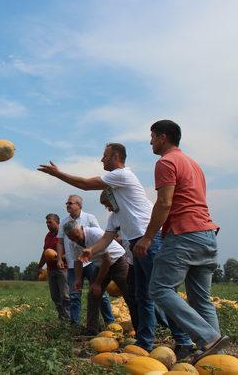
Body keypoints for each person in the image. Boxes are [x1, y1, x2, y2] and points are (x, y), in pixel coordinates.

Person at [39, 144, 192, 354]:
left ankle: (184, 340)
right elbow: (107, 239)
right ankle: (145, 341)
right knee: (141, 295)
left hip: (149, 239)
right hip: (138, 243)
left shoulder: (123, 175)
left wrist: (58, 174)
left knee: (160, 292)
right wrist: (90, 252)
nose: (102, 160)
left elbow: (85, 184)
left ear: (116, 157)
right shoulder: (116, 215)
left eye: (104, 156)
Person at [134, 120, 229, 362]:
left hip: (184, 234)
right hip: (206, 234)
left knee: (159, 289)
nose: (150, 142)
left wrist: (147, 237)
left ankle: (208, 337)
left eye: (153, 137)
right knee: (200, 299)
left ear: (163, 137)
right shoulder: (193, 164)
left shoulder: (166, 162)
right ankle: (216, 357)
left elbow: (165, 202)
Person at [64, 220, 133, 335]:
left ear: (81, 228)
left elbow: (107, 259)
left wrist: (97, 283)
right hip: (100, 265)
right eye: (72, 238)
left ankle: (139, 326)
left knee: (129, 294)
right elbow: (77, 262)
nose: (76, 240)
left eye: (77, 236)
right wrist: (77, 279)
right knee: (92, 295)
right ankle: (92, 330)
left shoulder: (95, 234)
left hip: (118, 261)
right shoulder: (73, 243)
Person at [56, 195, 114, 326]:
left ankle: (110, 321)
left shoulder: (89, 218)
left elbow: (101, 237)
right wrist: (60, 257)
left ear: (79, 205)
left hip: (91, 262)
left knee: (99, 292)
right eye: (67, 203)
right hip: (73, 262)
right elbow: (60, 241)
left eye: (70, 203)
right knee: (74, 295)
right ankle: (74, 324)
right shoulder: (64, 222)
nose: (68, 205)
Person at [99, 190, 139, 332]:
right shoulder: (114, 218)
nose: (107, 208)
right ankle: (142, 332)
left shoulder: (132, 210)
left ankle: (161, 326)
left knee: (146, 296)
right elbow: (107, 238)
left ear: (114, 199)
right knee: (134, 297)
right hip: (131, 260)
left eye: (107, 204)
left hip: (140, 256)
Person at [37, 213, 70, 321]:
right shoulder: (48, 236)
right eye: (46, 222)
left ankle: (70, 319)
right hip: (51, 270)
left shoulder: (64, 234)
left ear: (57, 222)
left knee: (65, 295)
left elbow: (71, 252)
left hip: (63, 269)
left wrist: (59, 258)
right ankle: (62, 318)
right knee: (55, 296)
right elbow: (45, 252)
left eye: (50, 222)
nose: (47, 224)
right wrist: (40, 265)